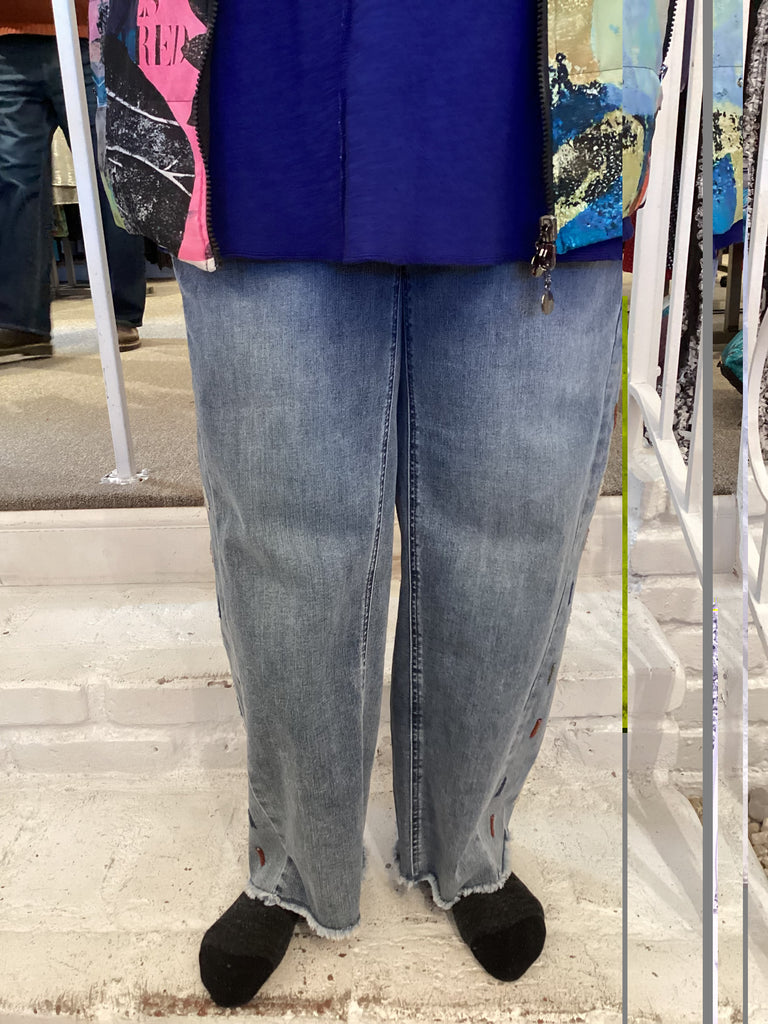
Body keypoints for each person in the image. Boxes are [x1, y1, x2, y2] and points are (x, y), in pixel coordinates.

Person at [90, 0, 671, 1008]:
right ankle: (293, 859)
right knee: (285, 547)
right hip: (268, 76)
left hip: (544, 92)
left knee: (514, 532)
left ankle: (469, 844)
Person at [0, 0, 146, 360]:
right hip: (8, 36)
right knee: (14, 178)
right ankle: (21, 321)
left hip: (87, 28)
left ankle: (120, 310)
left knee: (109, 172)